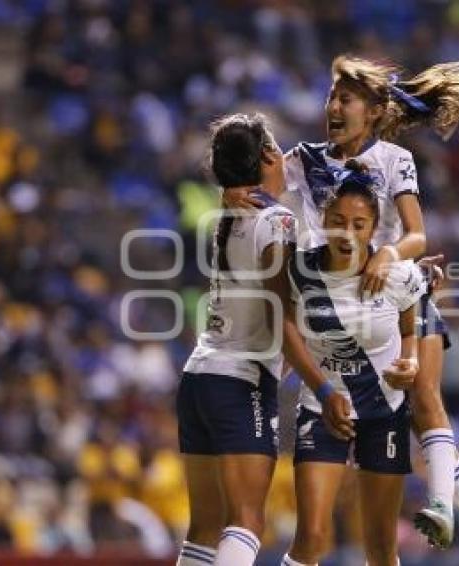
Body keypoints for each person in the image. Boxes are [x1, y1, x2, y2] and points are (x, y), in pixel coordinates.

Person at [226, 54, 459, 564]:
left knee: (424, 404)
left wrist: (389, 254)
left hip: (395, 295)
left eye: (345, 98)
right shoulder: (302, 159)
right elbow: (260, 193)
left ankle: (447, 509)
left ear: (375, 111)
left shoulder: (395, 159)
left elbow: (416, 233)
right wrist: (236, 194)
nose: (333, 105)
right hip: (333, 306)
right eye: (331, 96)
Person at [279, 165, 424, 566]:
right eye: (338, 221)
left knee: (379, 545)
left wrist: (409, 364)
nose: (347, 232)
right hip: (322, 407)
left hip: (385, 410)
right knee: (310, 536)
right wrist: (324, 392)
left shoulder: (399, 274)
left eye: (359, 224)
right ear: (323, 220)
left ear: (374, 228)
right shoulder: (298, 269)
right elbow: (288, 332)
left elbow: (411, 333)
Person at [175, 113, 294, 566]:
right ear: (267, 156)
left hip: (199, 377)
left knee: (203, 527)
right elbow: (280, 312)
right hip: (241, 380)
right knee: (246, 521)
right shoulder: (277, 219)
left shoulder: (229, 211)